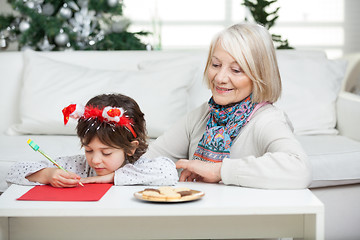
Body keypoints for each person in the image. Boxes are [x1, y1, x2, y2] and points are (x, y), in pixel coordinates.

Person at [144, 23, 312, 189]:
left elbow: (300, 169)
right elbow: (149, 157)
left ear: (260, 76)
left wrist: (220, 171)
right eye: (216, 65)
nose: (220, 78)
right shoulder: (202, 115)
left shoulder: (267, 121)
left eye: (236, 70)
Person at [7, 93, 178, 187]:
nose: (95, 160)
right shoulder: (78, 167)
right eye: (88, 150)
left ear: (130, 148)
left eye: (106, 152)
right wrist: (47, 174)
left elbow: (169, 172)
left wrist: (110, 178)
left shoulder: (141, 168)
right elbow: (12, 172)